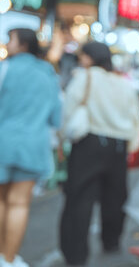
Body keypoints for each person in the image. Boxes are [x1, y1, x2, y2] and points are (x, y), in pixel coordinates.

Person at [60, 42, 139, 266]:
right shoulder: (125, 84)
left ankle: (75, 254)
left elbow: (68, 110)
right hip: (118, 147)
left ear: (89, 58)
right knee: (115, 198)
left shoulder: (85, 77)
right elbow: (136, 118)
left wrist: (63, 138)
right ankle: (111, 242)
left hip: (89, 143)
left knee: (80, 199)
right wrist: (131, 146)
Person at [0, 28, 62, 267]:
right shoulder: (49, 73)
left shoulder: (5, 68)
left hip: (3, 143)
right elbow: (56, 118)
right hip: (34, 146)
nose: (8, 44)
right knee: (19, 203)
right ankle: (8, 258)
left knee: (2, 201)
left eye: (10, 40)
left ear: (23, 44)